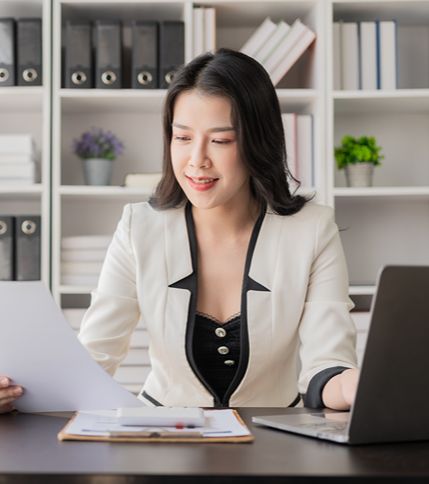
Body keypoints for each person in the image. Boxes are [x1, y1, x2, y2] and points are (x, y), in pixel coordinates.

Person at [0, 48, 359, 413]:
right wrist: (13, 394)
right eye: (182, 137)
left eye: (221, 141)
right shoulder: (138, 227)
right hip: (163, 440)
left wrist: (354, 387)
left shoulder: (312, 229)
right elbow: (93, 359)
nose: (196, 160)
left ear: (258, 142)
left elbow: (327, 366)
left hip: (275, 442)